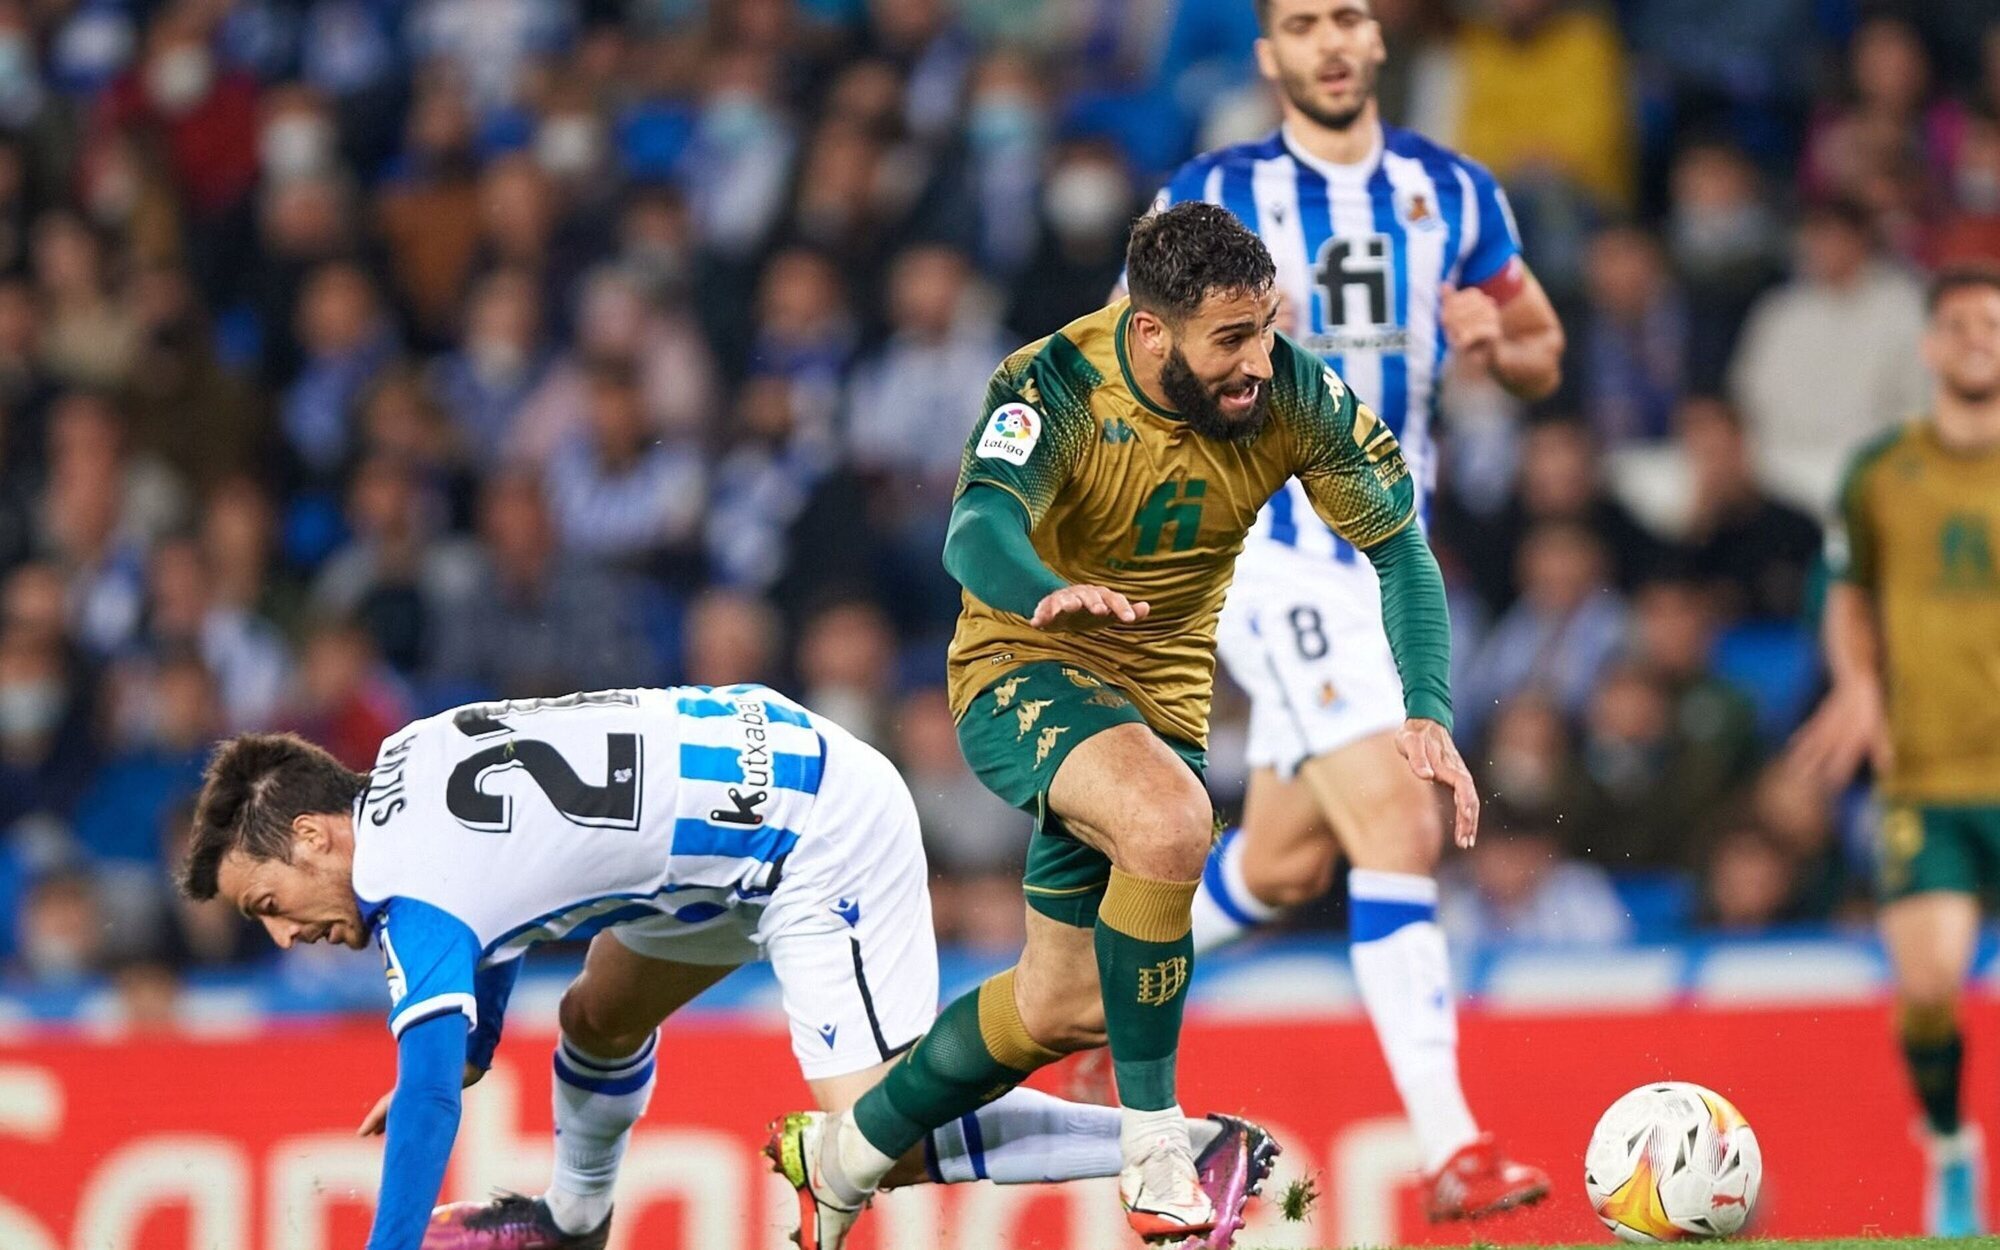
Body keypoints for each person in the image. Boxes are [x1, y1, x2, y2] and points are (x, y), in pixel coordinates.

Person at [769, 200, 1472, 1249]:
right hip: (1025, 663)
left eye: (1264, 327)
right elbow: (975, 527)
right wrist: (1044, 589)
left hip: (1159, 704)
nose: (1256, 360)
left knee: (1065, 1006)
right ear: (1150, 333)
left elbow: (1399, 548)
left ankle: (846, 1155)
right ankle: (1157, 1152)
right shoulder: (1052, 383)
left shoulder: (1294, 392)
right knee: (1170, 821)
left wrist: (1426, 707)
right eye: (1228, 339)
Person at [176, 688, 1275, 1250]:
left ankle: (1192, 1152)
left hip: (813, 834)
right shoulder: (410, 758)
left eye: (269, 904)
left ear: (314, 835)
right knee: (600, 1013)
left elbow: (423, 1098)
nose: (283, 936)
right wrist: (475, 1046)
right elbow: (496, 909)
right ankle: (569, 1222)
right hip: (728, 810)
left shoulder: (410, 893)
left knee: (879, 1137)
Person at [1151, 0, 1562, 1219]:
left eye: (1345, 17)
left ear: (1376, 40)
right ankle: (1451, 1145)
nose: (1328, 41)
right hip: (1265, 552)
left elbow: (1542, 348)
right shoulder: (1212, 193)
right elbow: (1131, 366)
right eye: (1300, 23)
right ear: (1267, 54)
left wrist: (1496, 345)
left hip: (1384, 564)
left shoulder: (1453, 192)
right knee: (1397, 813)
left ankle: (1094, 994)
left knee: (1282, 864)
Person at [1789, 265, 2000, 1238]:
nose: (1975, 336)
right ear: (1928, 345)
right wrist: (1858, 681)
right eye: (1956, 323)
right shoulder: (1880, 470)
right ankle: (1950, 1144)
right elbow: (1846, 592)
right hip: (1925, 773)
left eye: (1990, 321)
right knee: (1926, 985)